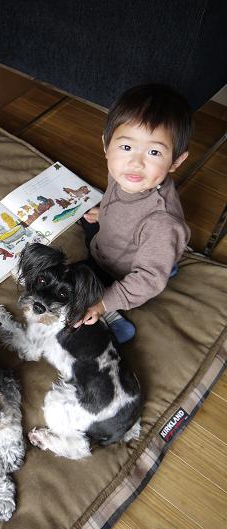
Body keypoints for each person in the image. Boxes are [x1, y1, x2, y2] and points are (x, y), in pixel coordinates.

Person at [74, 84, 192, 343]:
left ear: (176, 161)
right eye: (126, 147)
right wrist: (104, 212)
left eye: (154, 152)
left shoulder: (162, 223)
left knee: (78, 288)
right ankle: (161, 260)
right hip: (111, 242)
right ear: (106, 145)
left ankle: (115, 323)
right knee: (84, 220)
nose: (136, 163)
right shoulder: (124, 174)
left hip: (122, 274)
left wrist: (103, 303)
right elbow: (119, 201)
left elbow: (148, 279)